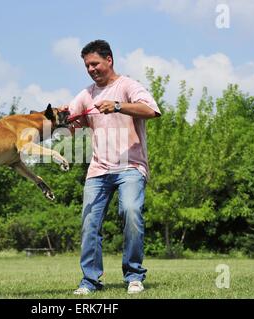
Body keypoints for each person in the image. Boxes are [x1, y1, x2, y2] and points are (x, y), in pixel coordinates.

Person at [62, 40, 161, 295]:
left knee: (130, 212)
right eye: (87, 66)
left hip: (131, 166)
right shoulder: (86, 94)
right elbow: (70, 126)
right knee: (89, 224)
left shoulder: (128, 86)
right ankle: (90, 281)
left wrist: (117, 106)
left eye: (95, 63)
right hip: (98, 170)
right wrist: (66, 120)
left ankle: (134, 275)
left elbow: (151, 110)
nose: (91, 69)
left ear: (109, 60)